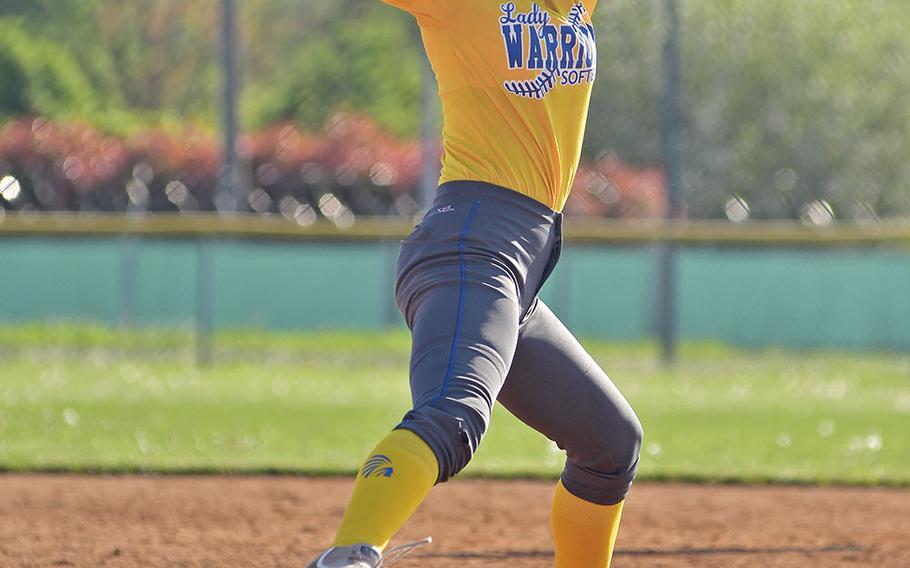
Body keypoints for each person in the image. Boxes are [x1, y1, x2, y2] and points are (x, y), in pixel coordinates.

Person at [308, 1, 642, 566]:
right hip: (471, 245)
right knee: (452, 415)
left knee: (610, 444)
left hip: (517, 269)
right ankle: (346, 558)